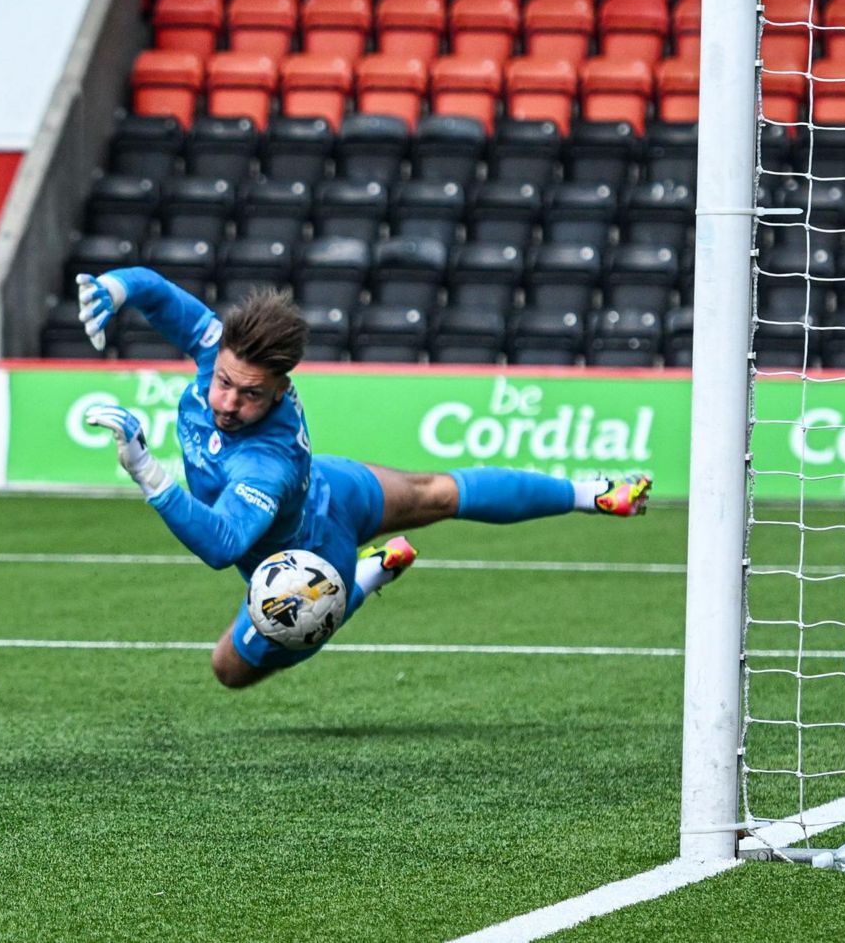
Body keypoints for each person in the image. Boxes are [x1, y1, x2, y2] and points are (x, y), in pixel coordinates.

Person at [75, 269, 652, 689]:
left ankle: (362, 577)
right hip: (333, 487)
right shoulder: (217, 349)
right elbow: (155, 291)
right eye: (224, 381)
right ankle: (587, 494)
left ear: (280, 389)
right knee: (438, 492)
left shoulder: (264, 463)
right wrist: (113, 289)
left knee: (226, 669)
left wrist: (147, 472)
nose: (227, 402)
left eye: (250, 394)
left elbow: (222, 544)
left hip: (306, 562)